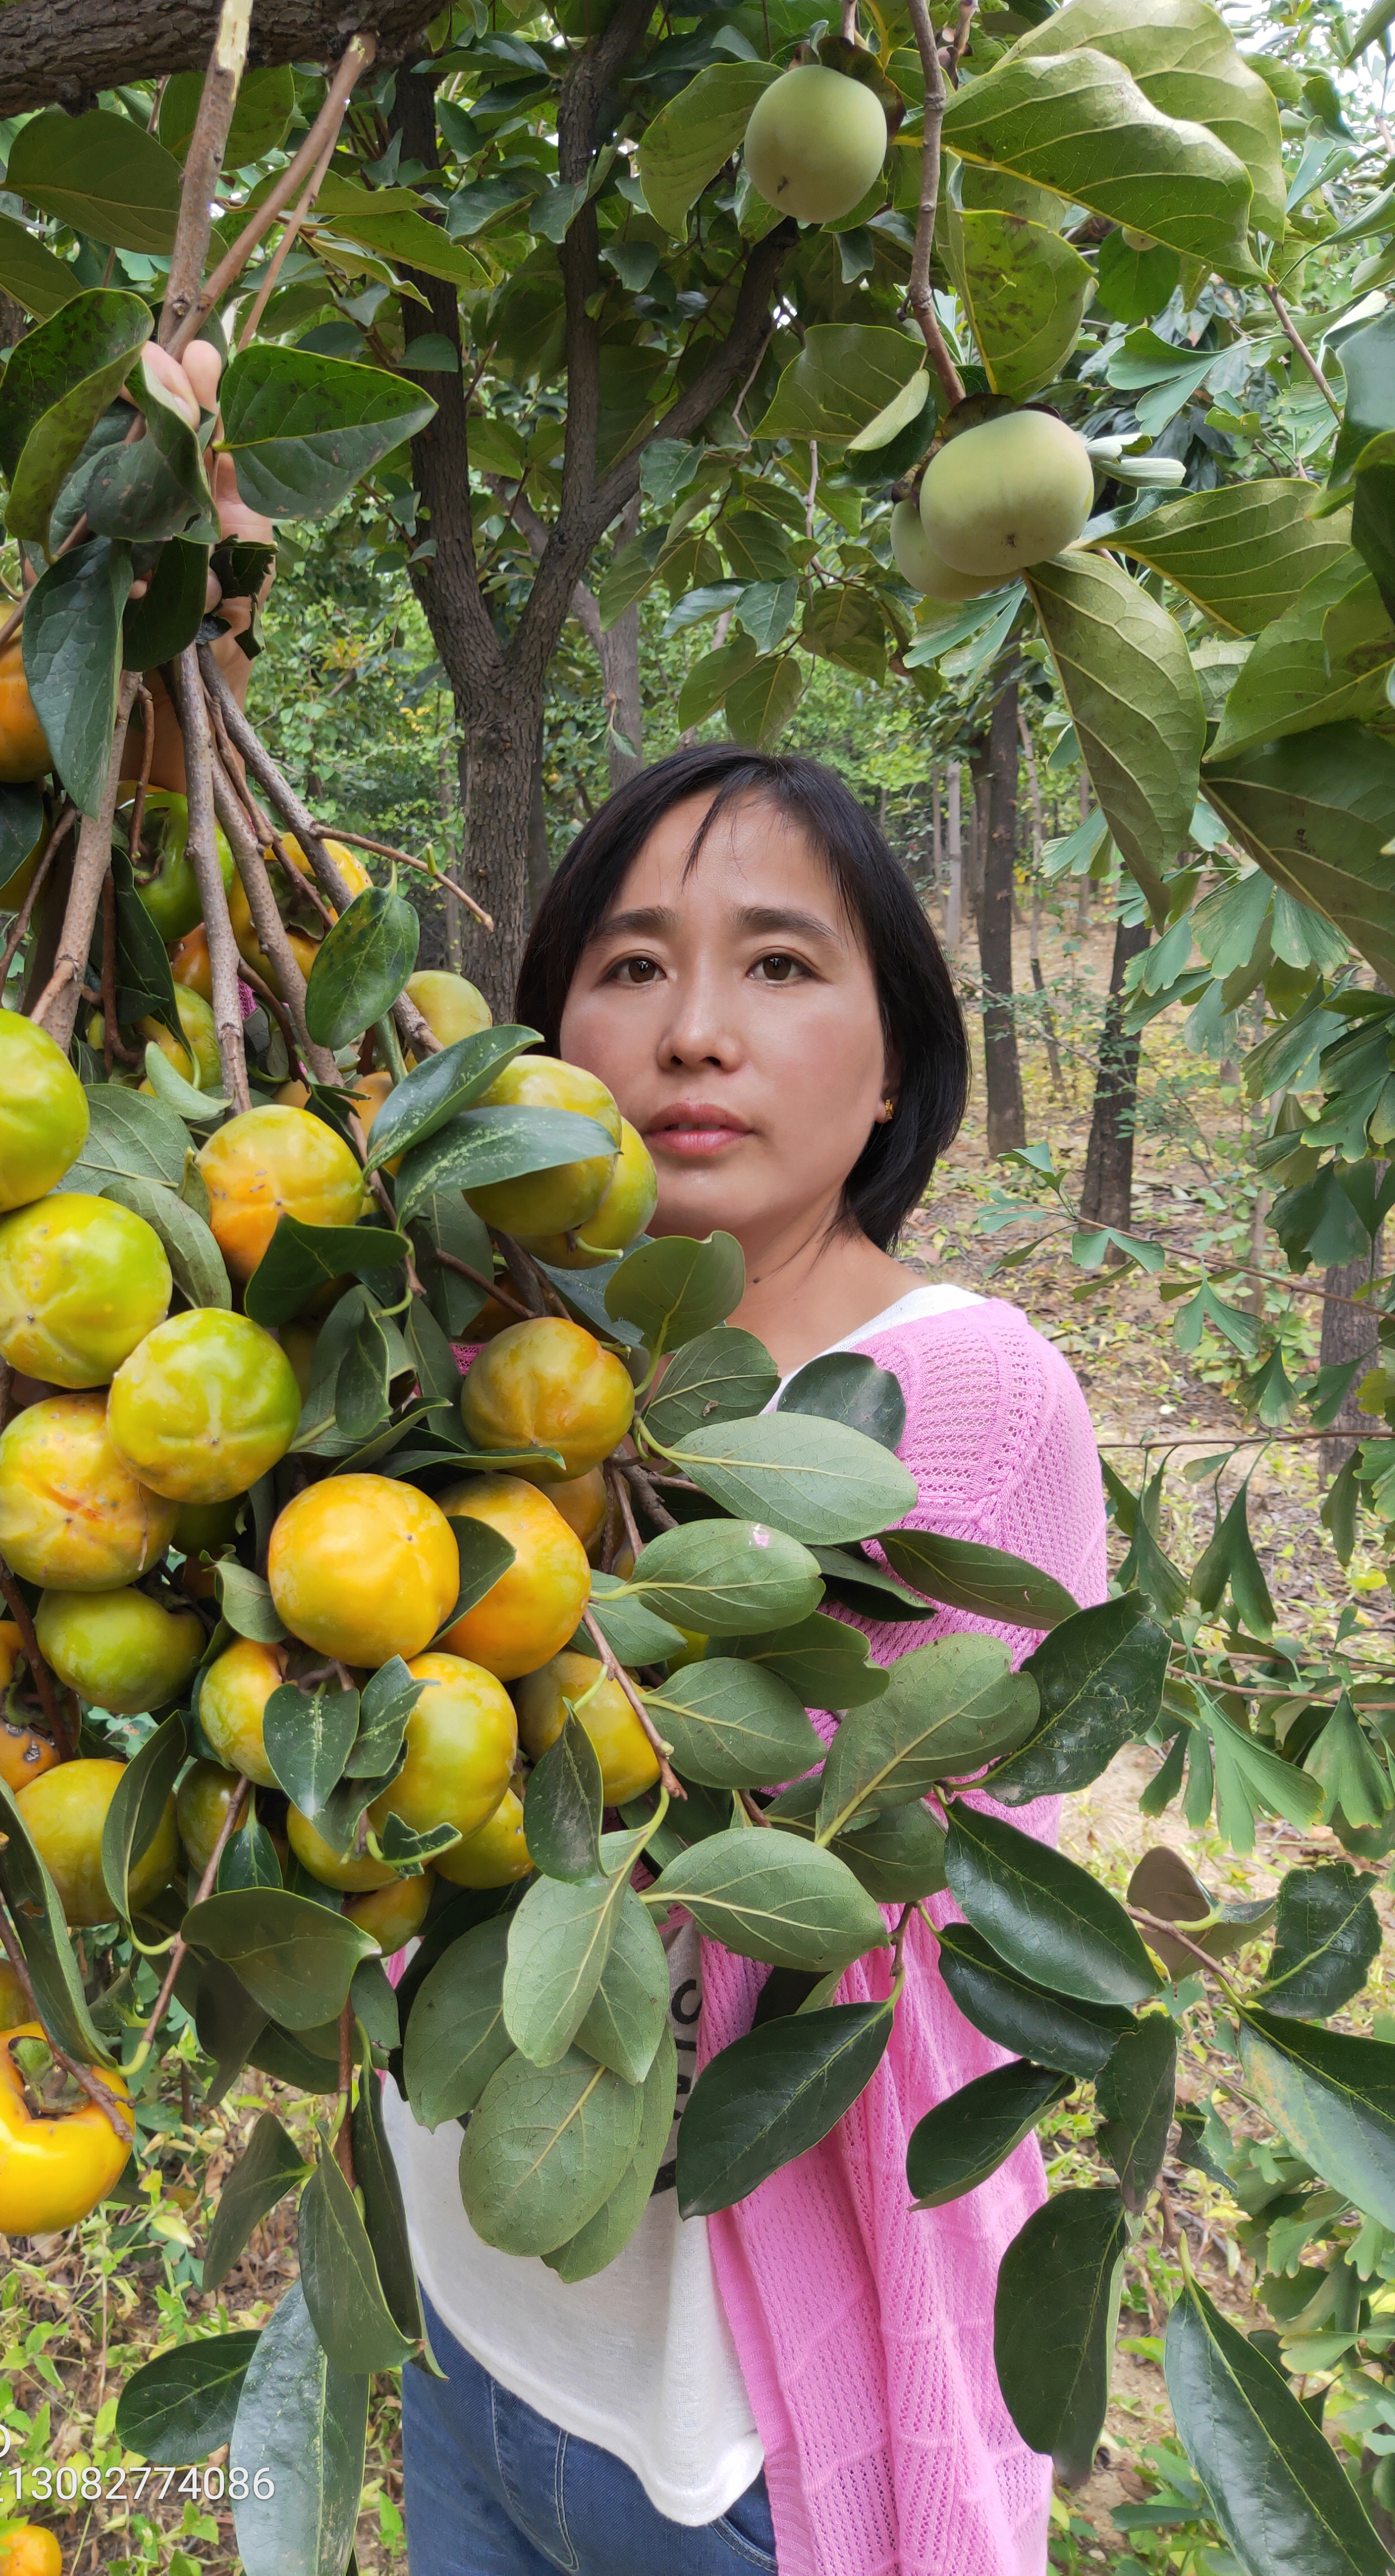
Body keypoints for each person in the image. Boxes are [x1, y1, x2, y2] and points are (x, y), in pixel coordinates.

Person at [386, 744, 1108, 2576]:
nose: (694, 1031)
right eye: (628, 968)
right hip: (473, 2342)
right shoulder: (487, 1371)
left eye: (780, 965)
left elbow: (836, 1911)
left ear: (890, 1068)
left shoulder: (963, 1393)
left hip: (735, 2452)